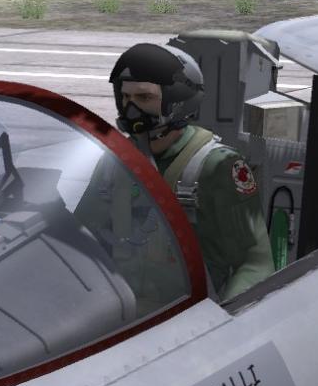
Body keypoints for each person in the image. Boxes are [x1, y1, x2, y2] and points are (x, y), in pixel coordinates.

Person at [76, 43, 275, 304]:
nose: (131, 109)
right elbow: (80, 236)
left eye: (144, 98)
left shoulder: (217, 166)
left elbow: (255, 263)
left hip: (188, 316)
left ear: (177, 101)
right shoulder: (116, 162)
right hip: (121, 313)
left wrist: (224, 318)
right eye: (125, 98)